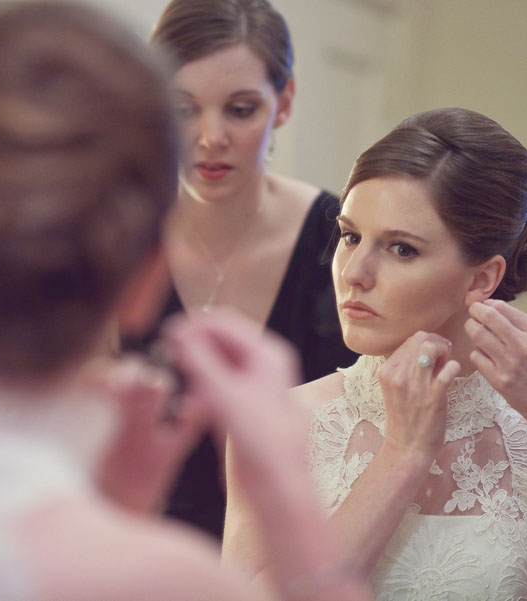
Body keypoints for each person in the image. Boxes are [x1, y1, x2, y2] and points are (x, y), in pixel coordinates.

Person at [0, 4, 374, 601]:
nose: (211, 135)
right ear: (147, 279)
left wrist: (120, 508)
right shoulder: (169, 582)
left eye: (239, 107)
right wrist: (282, 484)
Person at [223, 107, 527, 600]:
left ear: (482, 279)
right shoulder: (276, 424)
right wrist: (403, 454)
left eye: (401, 249)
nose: (354, 271)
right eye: (352, 236)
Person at [129, 0, 358, 540]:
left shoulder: (340, 235)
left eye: (239, 109)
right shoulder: (122, 239)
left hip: (295, 557)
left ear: (284, 102)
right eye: (184, 109)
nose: (211, 137)